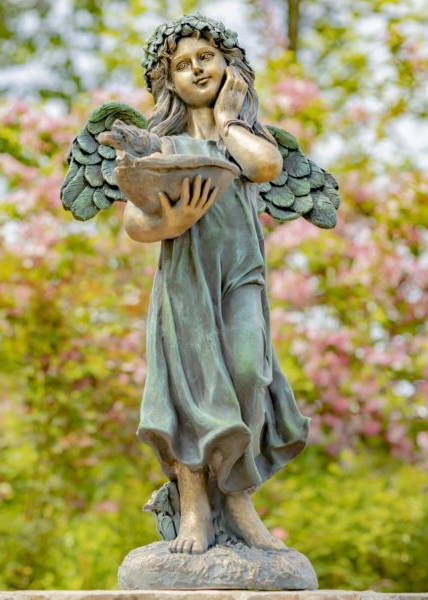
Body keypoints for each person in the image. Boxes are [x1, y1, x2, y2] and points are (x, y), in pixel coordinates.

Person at [123, 15, 310, 555]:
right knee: (191, 386)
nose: (195, 69)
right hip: (187, 278)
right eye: (181, 65)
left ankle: (238, 494)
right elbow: (136, 222)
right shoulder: (159, 141)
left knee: (251, 370)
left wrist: (229, 120)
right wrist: (170, 224)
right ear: (168, 82)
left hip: (240, 274)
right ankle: (194, 507)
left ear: (229, 63)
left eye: (205, 56)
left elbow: (267, 166)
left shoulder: (246, 135)